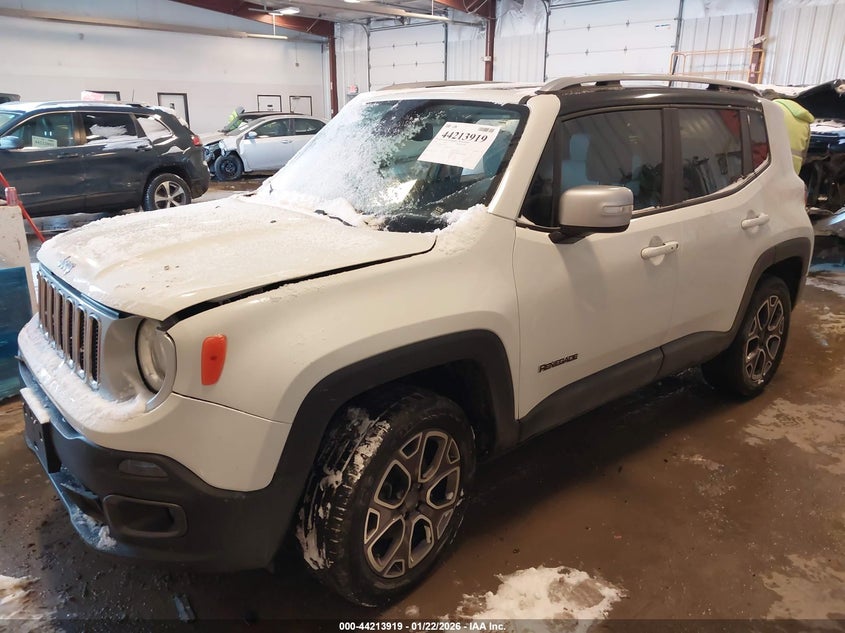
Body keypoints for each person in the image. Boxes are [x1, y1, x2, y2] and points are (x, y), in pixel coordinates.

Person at [773, 98, 814, 175]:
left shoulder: (773, 109)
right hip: (794, 167)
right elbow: (804, 152)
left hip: (775, 164)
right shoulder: (805, 121)